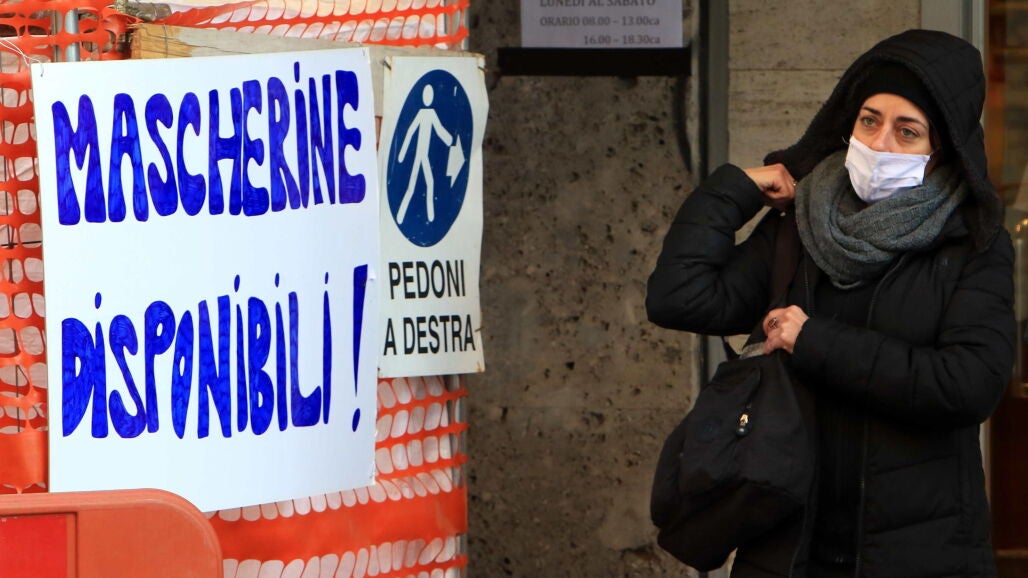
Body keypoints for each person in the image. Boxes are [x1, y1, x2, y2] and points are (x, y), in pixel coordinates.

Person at [646, 29, 1015, 578]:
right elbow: (680, 298)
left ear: (942, 150)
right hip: (788, 546)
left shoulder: (970, 245)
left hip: (916, 553)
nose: (880, 143)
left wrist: (814, 340)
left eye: (907, 131)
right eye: (869, 120)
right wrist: (734, 190)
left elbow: (967, 385)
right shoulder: (802, 224)